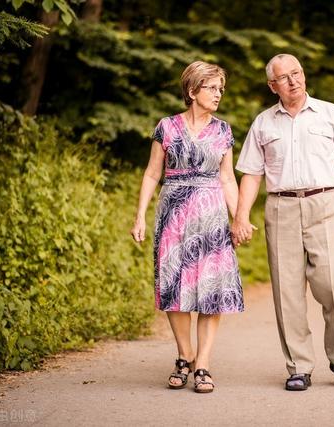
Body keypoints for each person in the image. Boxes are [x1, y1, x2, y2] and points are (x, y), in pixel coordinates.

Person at [231, 53, 334, 391]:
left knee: (333, 284)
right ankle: (299, 367)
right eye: (284, 77)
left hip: (326, 204)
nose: (293, 81)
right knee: (287, 291)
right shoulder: (263, 123)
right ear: (272, 86)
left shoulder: (329, 114)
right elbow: (251, 175)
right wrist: (241, 216)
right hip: (281, 208)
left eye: (297, 73)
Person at [130, 61, 243, 393]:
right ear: (193, 91)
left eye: (221, 89)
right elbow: (152, 173)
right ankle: (185, 355)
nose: (219, 94)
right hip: (174, 216)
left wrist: (239, 218)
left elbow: (227, 179)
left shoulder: (223, 131)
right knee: (173, 285)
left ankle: (203, 364)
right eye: (212, 88)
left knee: (210, 290)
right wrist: (139, 215)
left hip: (211, 218)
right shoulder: (166, 127)